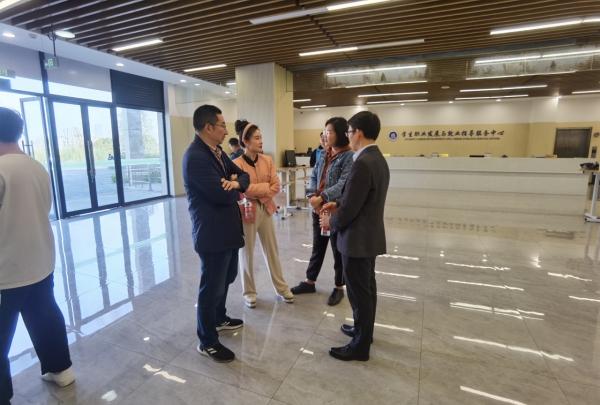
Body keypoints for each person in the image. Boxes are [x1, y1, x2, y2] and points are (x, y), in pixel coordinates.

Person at [0, 107, 74, 405]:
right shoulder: (36, 166)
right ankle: (61, 370)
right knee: (44, 315)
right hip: (41, 260)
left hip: (7, 270)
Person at [182, 105, 250, 363]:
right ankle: (207, 341)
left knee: (227, 277)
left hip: (228, 229)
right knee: (211, 287)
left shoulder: (218, 152)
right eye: (222, 125)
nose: (226, 131)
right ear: (208, 127)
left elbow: (244, 175)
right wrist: (236, 190)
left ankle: (219, 318)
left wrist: (235, 183)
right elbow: (222, 195)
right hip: (212, 233)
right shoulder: (196, 157)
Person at [320, 111, 390, 362]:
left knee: (360, 294)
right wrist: (338, 205)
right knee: (367, 290)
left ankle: (360, 347)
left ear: (358, 132)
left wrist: (331, 221)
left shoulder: (362, 162)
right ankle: (364, 332)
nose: (348, 136)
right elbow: (361, 200)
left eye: (349, 132)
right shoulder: (377, 158)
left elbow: (351, 209)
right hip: (368, 236)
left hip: (356, 240)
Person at [291, 118, 353, 306]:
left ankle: (339, 287)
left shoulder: (349, 156)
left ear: (340, 134)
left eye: (328, 132)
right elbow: (314, 176)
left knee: (337, 249)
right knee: (318, 246)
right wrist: (312, 197)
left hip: (334, 208)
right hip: (318, 208)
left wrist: (323, 197)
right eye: (324, 132)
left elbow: (343, 183)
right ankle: (310, 282)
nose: (325, 136)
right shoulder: (324, 153)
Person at [232, 120, 294, 308]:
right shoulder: (236, 164)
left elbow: (275, 186)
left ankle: (281, 288)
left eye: (261, 137)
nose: (261, 141)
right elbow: (243, 190)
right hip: (246, 211)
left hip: (266, 209)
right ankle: (249, 292)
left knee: (272, 250)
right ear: (246, 142)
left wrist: (254, 189)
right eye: (257, 138)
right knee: (246, 252)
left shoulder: (267, 160)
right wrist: (261, 188)